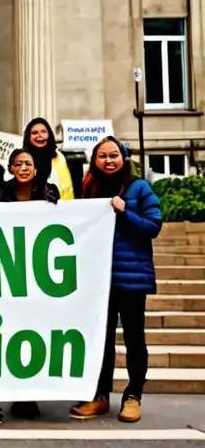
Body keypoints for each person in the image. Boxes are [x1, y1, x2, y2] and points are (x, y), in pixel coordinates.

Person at [70, 136, 162, 424]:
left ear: (124, 159)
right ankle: (99, 396)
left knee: (135, 338)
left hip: (131, 277)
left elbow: (153, 226)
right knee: (101, 339)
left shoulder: (139, 188)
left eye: (114, 155)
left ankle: (133, 396)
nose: (108, 161)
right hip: (98, 279)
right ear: (94, 161)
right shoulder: (89, 190)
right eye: (102, 156)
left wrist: (125, 212)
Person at [0, 148, 60, 423]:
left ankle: (27, 393)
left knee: (32, 332)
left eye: (29, 163)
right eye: (18, 164)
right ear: (11, 169)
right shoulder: (0, 195)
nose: (24, 167)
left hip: (37, 276)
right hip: (6, 275)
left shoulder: (50, 194)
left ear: (36, 169)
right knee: (4, 334)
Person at [23, 118, 76, 200]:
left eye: (43, 132)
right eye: (34, 133)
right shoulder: (21, 157)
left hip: (57, 206)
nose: (39, 135)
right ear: (28, 137)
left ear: (49, 134)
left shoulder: (58, 156)